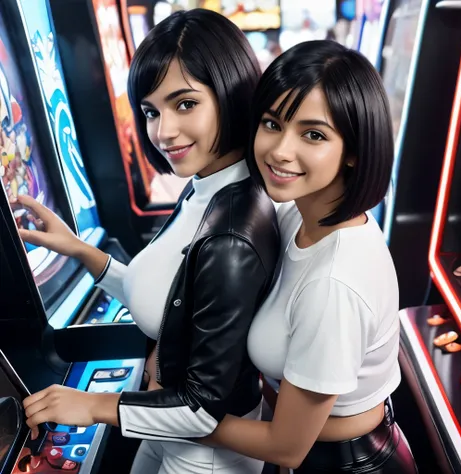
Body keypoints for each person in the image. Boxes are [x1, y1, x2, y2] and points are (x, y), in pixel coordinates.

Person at [18, 9, 280, 474]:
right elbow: (169, 300)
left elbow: (202, 407)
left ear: (230, 92)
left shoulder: (232, 231)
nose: (163, 132)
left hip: (204, 453)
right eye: (151, 111)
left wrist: (93, 405)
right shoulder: (209, 185)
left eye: (185, 104)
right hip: (169, 427)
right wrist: (80, 251)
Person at [201, 40, 418, 473]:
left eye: (313, 134)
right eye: (272, 123)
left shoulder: (333, 283)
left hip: (343, 462)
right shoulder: (298, 213)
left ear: (354, 151)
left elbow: (286, 446)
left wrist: (162, 416)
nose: (281, 150)